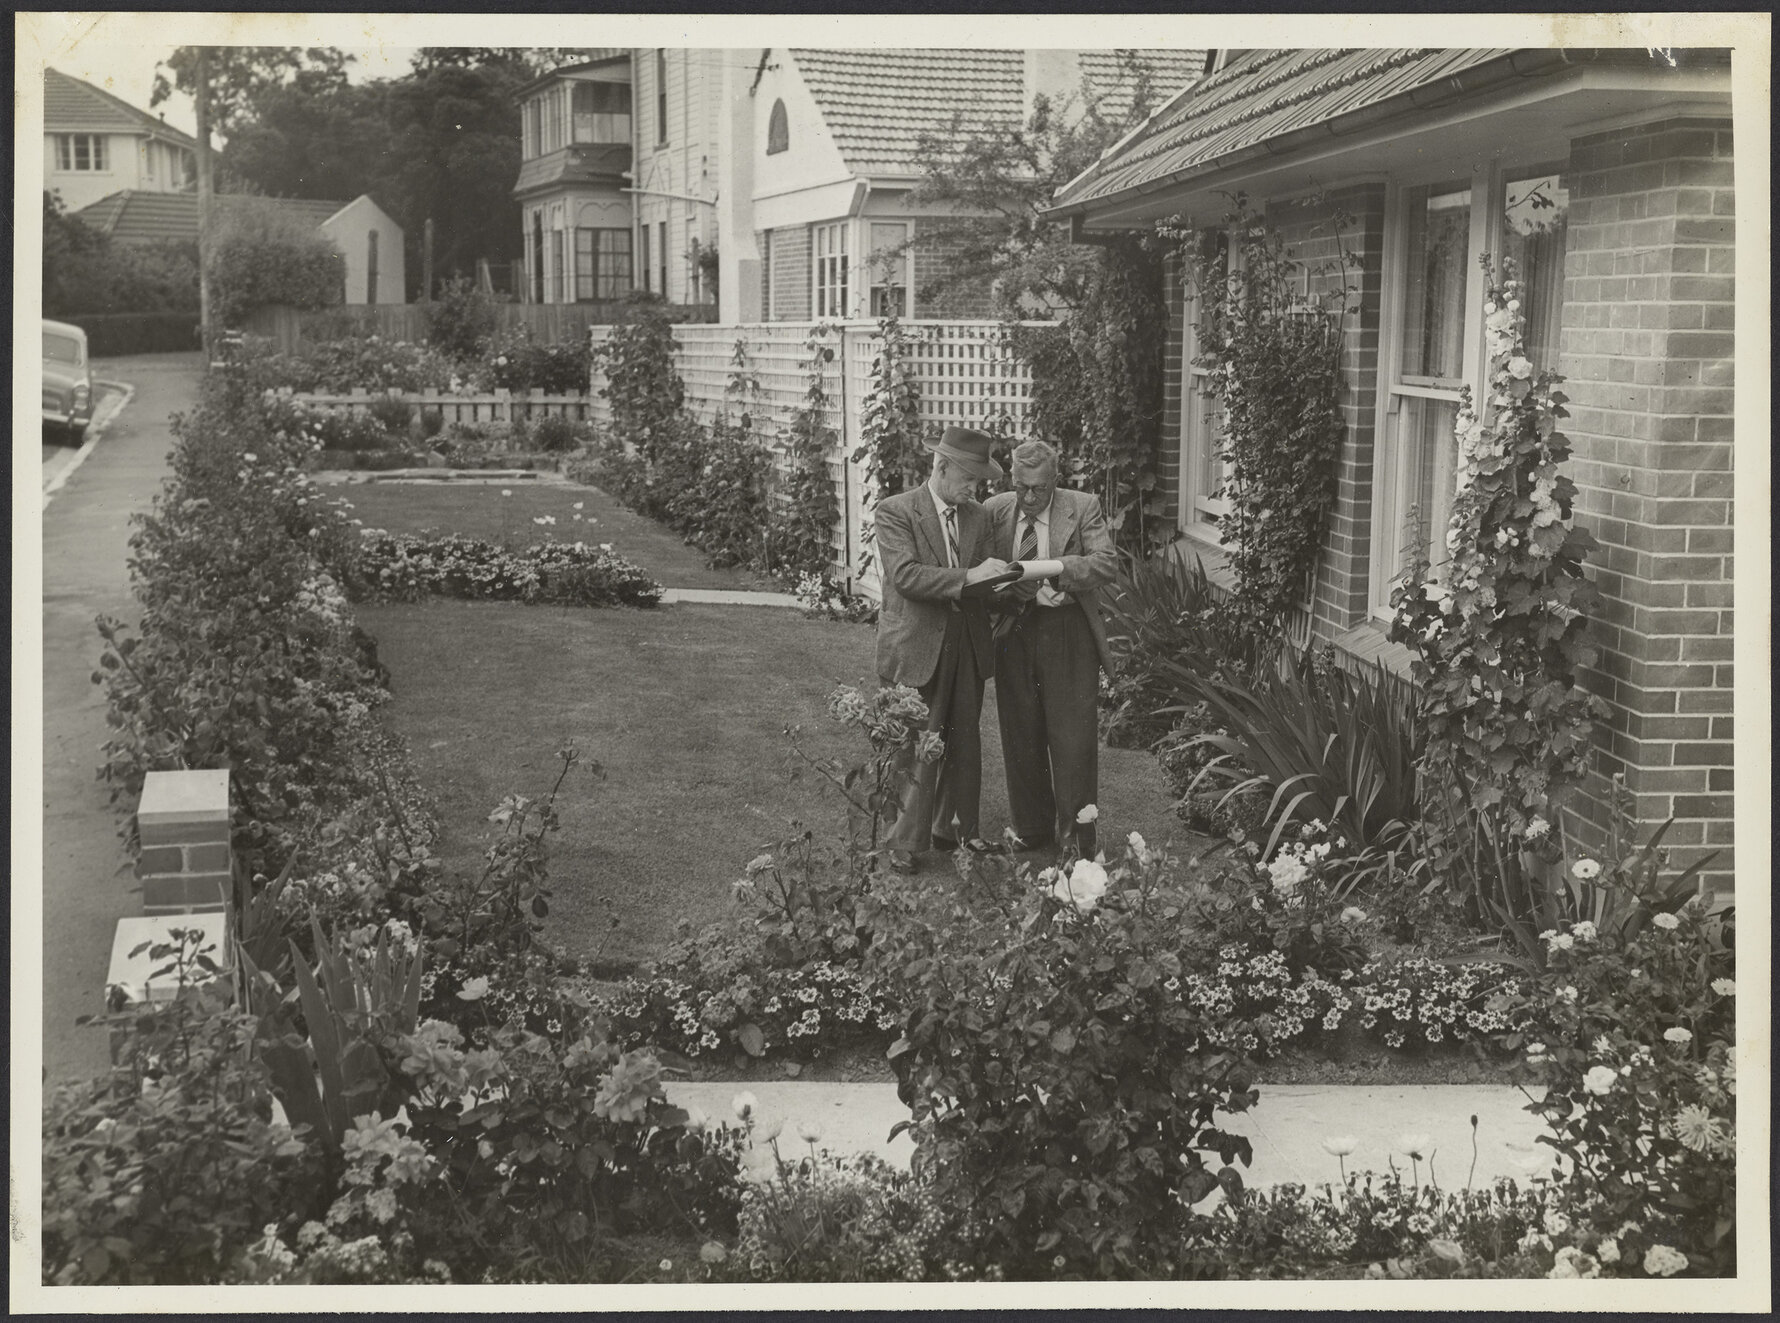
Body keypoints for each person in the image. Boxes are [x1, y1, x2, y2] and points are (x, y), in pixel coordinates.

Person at [873, 426, 1012, 873]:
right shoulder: (895, 512)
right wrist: (971, 577)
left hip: (966, 646)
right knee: (913, 744)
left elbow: (985, 585)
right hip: (915, 645)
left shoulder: (977, 517)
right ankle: (902, 843)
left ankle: (955, 832)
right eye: (970, 477)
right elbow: (907, 577)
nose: (977, 488)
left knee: (963, 743)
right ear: (942, 466)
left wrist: (1013, 581)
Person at [983, 439, 1119, 858]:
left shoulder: (1082, 505)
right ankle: (1031, 828)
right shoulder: (996, 510)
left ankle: (1077, 839)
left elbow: (1106, 562)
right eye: (1020, 486)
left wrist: (1056, 570)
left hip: (1067, 634)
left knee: (1072, 738)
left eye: (1037, 489)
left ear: (1055, 482)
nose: (1027, 497)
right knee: (1020, 732)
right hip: (1015, 629)